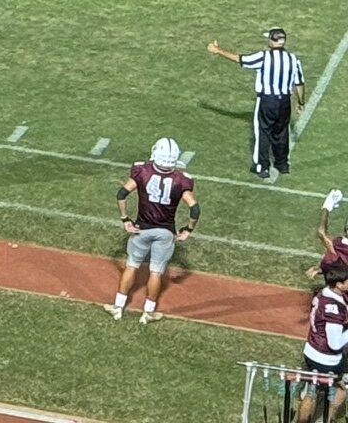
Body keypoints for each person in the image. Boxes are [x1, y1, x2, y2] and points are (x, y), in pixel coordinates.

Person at [107, 138, 198, 322]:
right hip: (165, 232)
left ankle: (118, 307)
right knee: (156, 272)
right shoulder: (182, 179)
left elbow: (121, 194)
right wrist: (188, 229)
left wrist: (125, 219)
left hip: (142, 228)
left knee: (132, 266)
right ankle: (148, 312)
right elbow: (195, 208)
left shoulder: (142, 170)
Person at [210, 28, 304, 179]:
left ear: (272, 41)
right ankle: (282, 164)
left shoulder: (264, 57)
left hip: (267, 100)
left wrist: (218, 50)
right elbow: (299, 83)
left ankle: (262, 166)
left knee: (263, 132)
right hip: (285, 101)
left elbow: (240, 59)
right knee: (281, 132)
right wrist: (301, 102)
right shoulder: (293, 59)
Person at [299, 262, 348, 420]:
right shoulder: (333, 308)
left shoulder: (323, 293)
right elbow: (335, 344)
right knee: (343, 387)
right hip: (326, 358)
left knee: (312, 390)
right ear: (339, 284)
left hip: (311, 350)